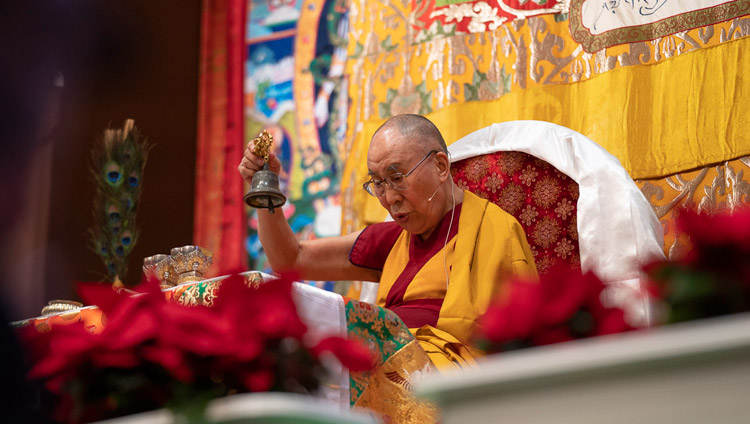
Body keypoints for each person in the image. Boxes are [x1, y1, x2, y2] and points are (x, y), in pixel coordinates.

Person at [238, 114, 537, 369]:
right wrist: (265, 191)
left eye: (397, 178)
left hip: (453, 384)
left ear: (441, 167)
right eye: (378, 183)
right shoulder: (395, 238)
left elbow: (523, 342)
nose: (390, 198)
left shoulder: (496, 229)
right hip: (385, 369)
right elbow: (291, 259)